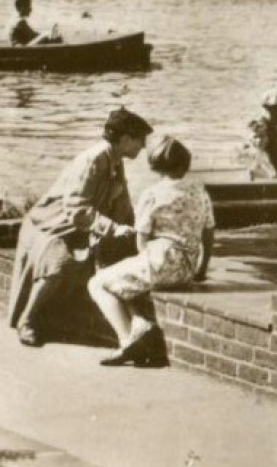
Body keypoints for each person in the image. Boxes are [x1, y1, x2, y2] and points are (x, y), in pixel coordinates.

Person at [5, 106, 150, 347]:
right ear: (124, 139)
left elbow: (122, 203)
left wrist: (135, 232)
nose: (143, 146)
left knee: (109, 257)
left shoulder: (115, 160)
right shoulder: (94, 160)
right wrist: (113, 229)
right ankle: (26, 321)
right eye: (140, 140)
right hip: (50, 224)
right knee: (60, 263)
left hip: (76, 224)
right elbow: (75, 207)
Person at [88, 136, 214, 367]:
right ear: (184, 163)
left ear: (155, 166)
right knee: (127, 282)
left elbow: (141, 241)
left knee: (97, 284)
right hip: (186, 268)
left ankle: (128, 341)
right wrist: (201, 269)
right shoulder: (199, 190)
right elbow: (208, 233)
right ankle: (140, 328)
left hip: (160, 264)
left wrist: (145, 259)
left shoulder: (152, 194)